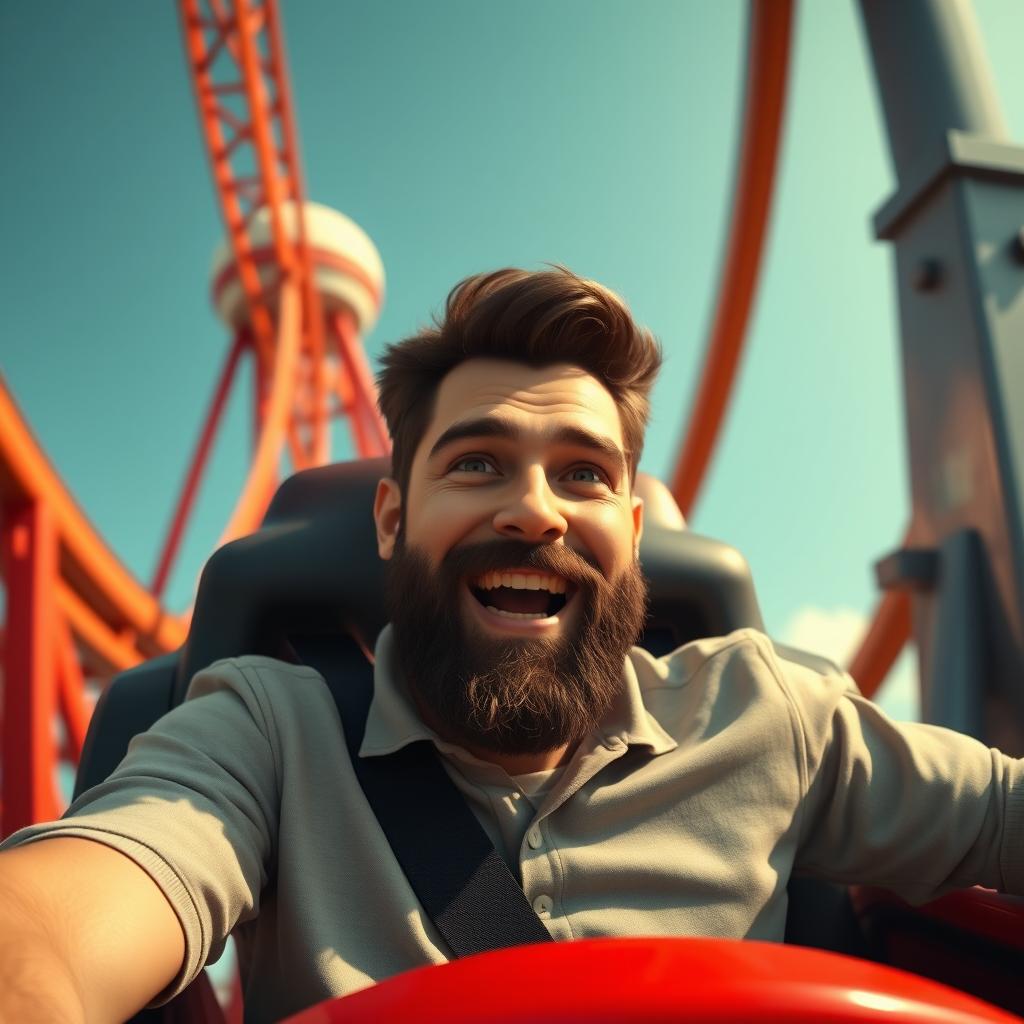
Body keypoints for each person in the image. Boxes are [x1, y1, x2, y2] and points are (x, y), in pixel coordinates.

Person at [0, 267, 1022, 1023]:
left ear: (632, 529)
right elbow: (60, 916)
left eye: (582, 474)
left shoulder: (772, 713)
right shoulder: (267, 727)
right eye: (479, 463)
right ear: (393, 520)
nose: (534, 511)